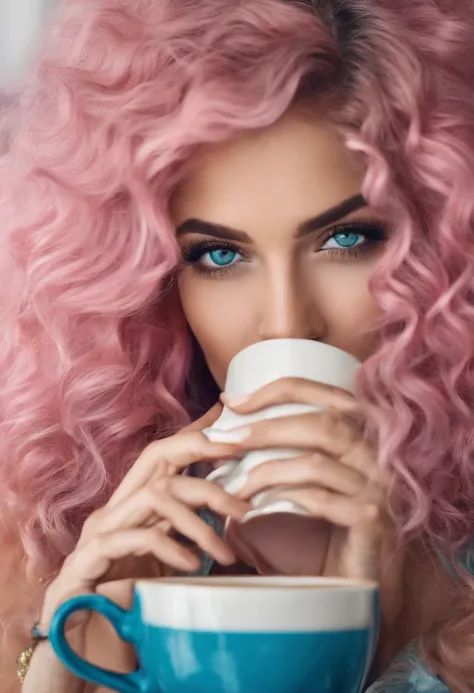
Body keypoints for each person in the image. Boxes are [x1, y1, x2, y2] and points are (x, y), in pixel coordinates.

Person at [1, 0, 473, 691]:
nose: (285, 322)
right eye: (220, 254)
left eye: (347, 239)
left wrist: (409, 634)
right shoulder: (52, 536)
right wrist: (65, 671)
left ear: (445, 253)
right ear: (151, 285)